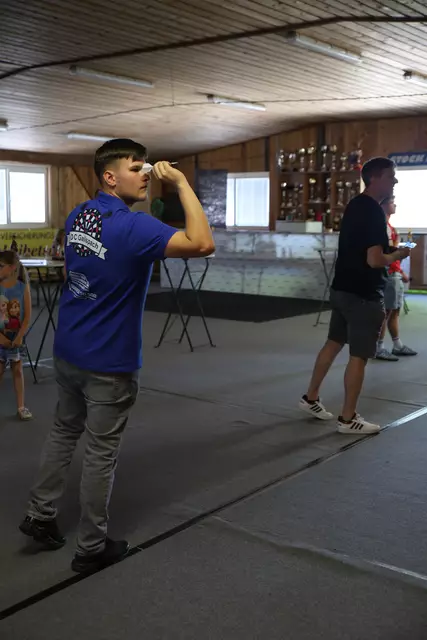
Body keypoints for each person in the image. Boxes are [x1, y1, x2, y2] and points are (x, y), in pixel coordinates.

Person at [19, 138, 215, 573]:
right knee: (100, 452)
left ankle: (40, 513)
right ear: (110, 177)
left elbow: (81, 267)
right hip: (108, 362)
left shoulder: (79, 214)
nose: (145, 174)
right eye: (136, 167)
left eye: (146, 167)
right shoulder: (134, 226)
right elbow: (202, 243)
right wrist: (181, 184)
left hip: (69, 349)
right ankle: (91, 546)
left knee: (64, 431)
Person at [299, 157, 410, 434]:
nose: (395, 181)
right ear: (374, 178)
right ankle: (348, 419)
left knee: (333, 343)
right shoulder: (373, 212)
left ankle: (310, 397)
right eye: (390, 176)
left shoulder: (355, 205)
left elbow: (362, 250)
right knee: (359, 356)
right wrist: (398, 254)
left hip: (342, 289)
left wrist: (388, 251)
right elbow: (374, 260)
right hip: (363, 294)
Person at [375, 196, 417, 360]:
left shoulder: (390, 227)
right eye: (392, 202)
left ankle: (397, 345)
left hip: (395, 273)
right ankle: (379, 347)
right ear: (383, 205)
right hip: (390, 273)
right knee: (386, 312)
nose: (395, 205)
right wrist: (399, 270)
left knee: (395, 310)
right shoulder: (382, 227)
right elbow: (387, 253)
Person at [0, 250, 32, 420]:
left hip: (16, 338)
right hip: (0, 337)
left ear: (12, 267)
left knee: (17, 370)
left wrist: (20, 336)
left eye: (1, 266)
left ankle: (21, 406)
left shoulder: (22, 287)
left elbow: (27, 315)